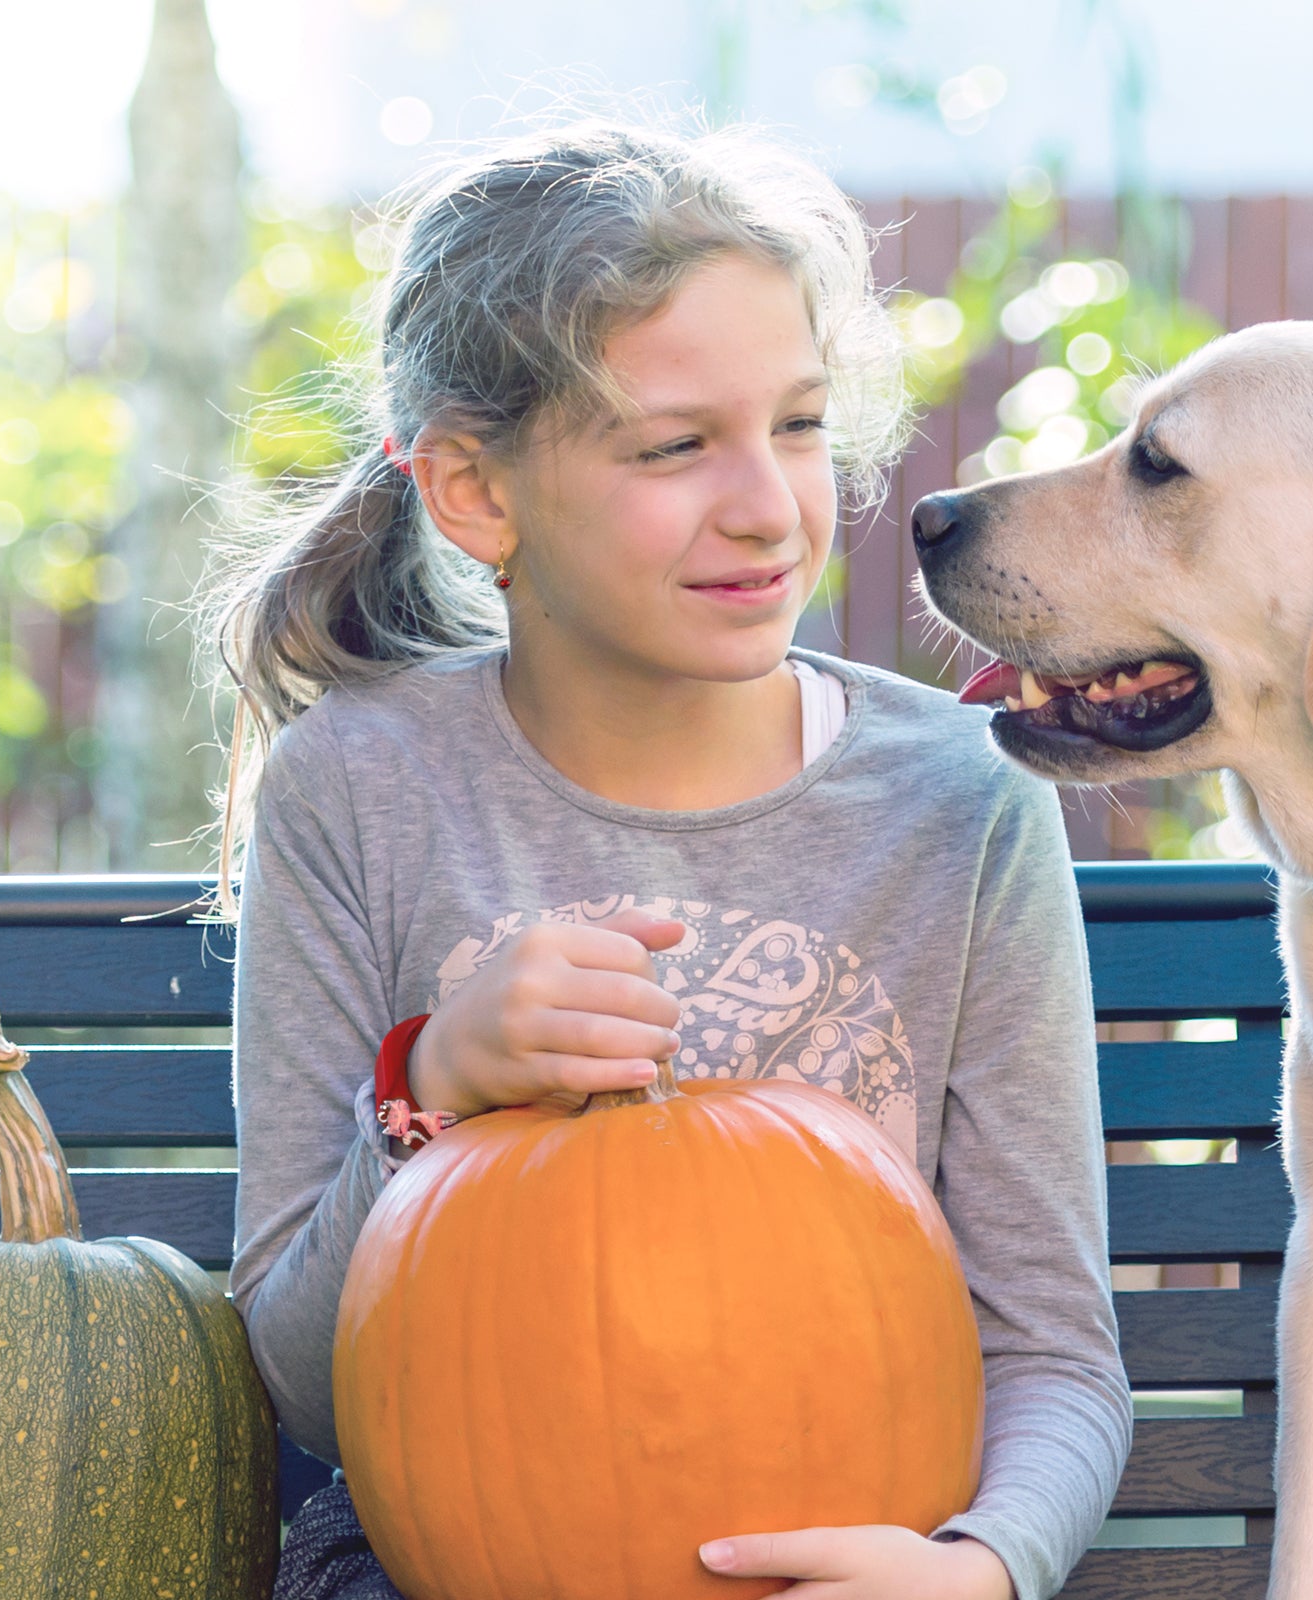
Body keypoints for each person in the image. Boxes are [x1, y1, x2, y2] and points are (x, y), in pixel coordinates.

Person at [209, 119, 1127, 1600]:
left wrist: (979, 1570)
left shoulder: (962, 807)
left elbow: (1054, 1355)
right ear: (474, 494)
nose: (768, 505)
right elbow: (311, 1396)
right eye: (675, 445)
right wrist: (434, 1088)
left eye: (802, 425)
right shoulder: (363, 792)